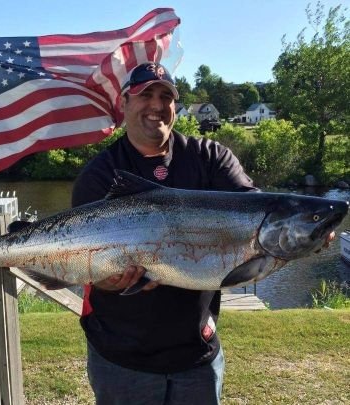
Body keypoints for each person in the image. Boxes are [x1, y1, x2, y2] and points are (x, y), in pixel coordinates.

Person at [71, 61, 257, 405]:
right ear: (125, 102)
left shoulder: (210, 158)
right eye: (146, 95)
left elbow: (255, 211)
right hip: (121, 359)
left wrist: (298, 230)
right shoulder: (100, 174)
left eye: (165, 96)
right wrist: (102, 281)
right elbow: (80, 259)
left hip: (196, 354)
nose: (157, 105)